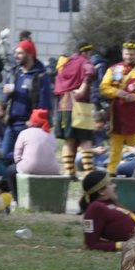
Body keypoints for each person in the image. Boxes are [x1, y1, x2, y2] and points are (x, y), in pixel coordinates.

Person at [100, 40, 135, 168]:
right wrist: (116, 92)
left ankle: (134, 171)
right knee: (115, 149)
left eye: (131, 54)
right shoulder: (113, 69)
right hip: (117, 116)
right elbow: (103, 87)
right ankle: (112, 172)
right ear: (122, 53)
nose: (128, 57)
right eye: (126, 54)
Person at [0, 39, 52, 160]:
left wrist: (35, 120)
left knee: (24, 157)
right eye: (16, 53)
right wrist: (6, 94)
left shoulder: (40, 76)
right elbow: (6, 97)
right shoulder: (16, 72)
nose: (16, 56)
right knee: (4, 156)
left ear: (30, 54)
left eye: (20, 53)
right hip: (12, 123)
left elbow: (44, 103)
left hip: (28, 125)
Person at [54, 43, 98, 177]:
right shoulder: (83, 61)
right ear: (85, 52)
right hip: (80, 106)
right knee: (86, 140)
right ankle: (90, 173)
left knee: (69, 140)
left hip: (63, 106)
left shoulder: (65, 63)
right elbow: (90, 71)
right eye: (89, 53)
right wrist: (84, 86)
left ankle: (69, 172)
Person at [78, 169, 135, 251]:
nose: (115, 186)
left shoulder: (110, 203)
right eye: (111, 184)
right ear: (101, 191)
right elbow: (91, 244)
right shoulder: (95, 208)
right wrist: (120, 245)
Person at [11, 108, 60, 177]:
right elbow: (54, 151)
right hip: (52, 169)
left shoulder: (24, 133)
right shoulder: (51, 134)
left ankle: (16, 188)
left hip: (28, 167)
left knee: (10, 171)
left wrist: (19, 162)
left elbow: (17, 154)